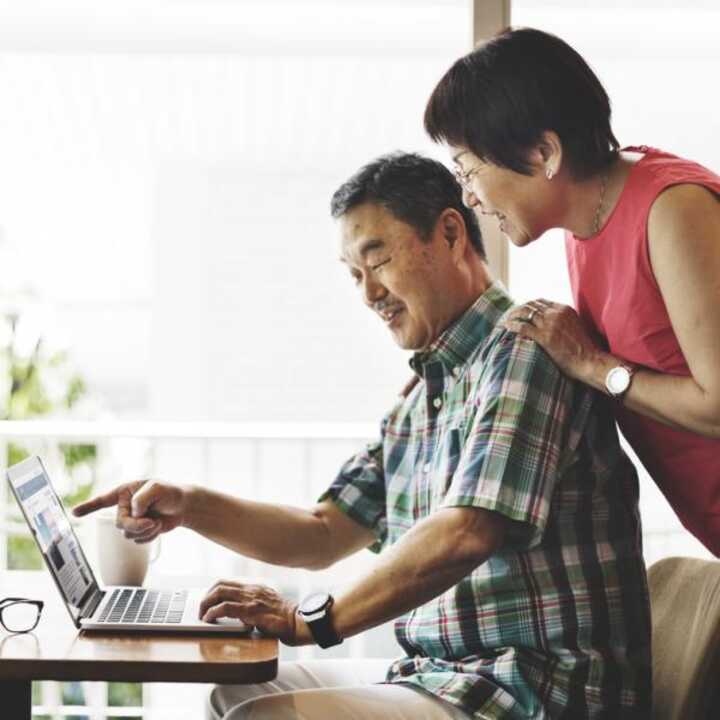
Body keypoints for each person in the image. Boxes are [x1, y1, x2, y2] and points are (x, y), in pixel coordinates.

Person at [73, 153, 651, 719]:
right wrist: (189, 504)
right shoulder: (423, 395)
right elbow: (322, 534)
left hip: (533, 692)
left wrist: (311, 620)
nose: (369, 294)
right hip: (443, 680)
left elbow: (468, 531)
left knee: (264, 717)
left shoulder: (526, 346)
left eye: (378, 262)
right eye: (354, 275)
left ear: (450, 234)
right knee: (235, 692)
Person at [424, 27, 720, 557]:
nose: (468, 196)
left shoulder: (673, 210)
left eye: (469, 169)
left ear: (544, 153)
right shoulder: (585, 223)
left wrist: (593, 365)